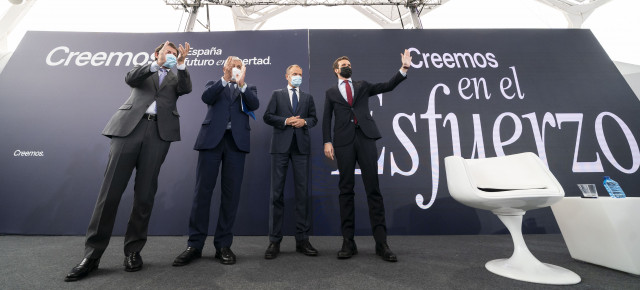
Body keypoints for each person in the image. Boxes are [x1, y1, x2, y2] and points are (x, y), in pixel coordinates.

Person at [65, 41, 192, 282]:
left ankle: (133, 252)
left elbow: (186, 89)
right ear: (157, 54)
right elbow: (131, 78)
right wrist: (157, 64)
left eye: (175, 54)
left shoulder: (176, 78)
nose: (172, 56)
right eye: (168, 52)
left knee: (145, 195)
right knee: (109, 193)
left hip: (159, 134)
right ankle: (92, 256)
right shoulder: (144, 68)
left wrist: (182, 65)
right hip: (128, 130)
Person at [322, 50, 412, 262]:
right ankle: (348, 242)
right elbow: (326, 119)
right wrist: (327, 141)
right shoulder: (330, 92)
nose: (347, 65)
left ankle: (381, 243)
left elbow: (387, 86)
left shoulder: (362, 86)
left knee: (373, 189)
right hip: (343, 143)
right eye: (344, 64)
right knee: (346, 191)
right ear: (337, 70)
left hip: (365, 139)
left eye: (349, 63)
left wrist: (404, 68)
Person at [173, 56, 259, 266]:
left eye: (239, 66)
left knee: (231, 196)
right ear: (224, 68)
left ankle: (223, 245)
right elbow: (206, 98)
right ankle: (194, 245)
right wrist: (225, 78)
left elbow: (254, 104)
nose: (236, 69)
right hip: (211, 143)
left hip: (236, 145)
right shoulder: (214, 84)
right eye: (232, 66)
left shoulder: (249, 88)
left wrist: (242, 84)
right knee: (202, 193)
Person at [262, 64, 318, 259]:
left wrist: (305, 122)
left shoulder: (308, 98)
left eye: (300, 75)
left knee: (302, 195)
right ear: (286, 76)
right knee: (276, 195)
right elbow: (267, 116)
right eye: (294, 74)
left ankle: (302, 240)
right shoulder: (277, 95)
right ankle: (274, 241)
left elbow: (314, 119)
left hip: (301, 149)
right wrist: (286, 121)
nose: (297, 77)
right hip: (280, 148)